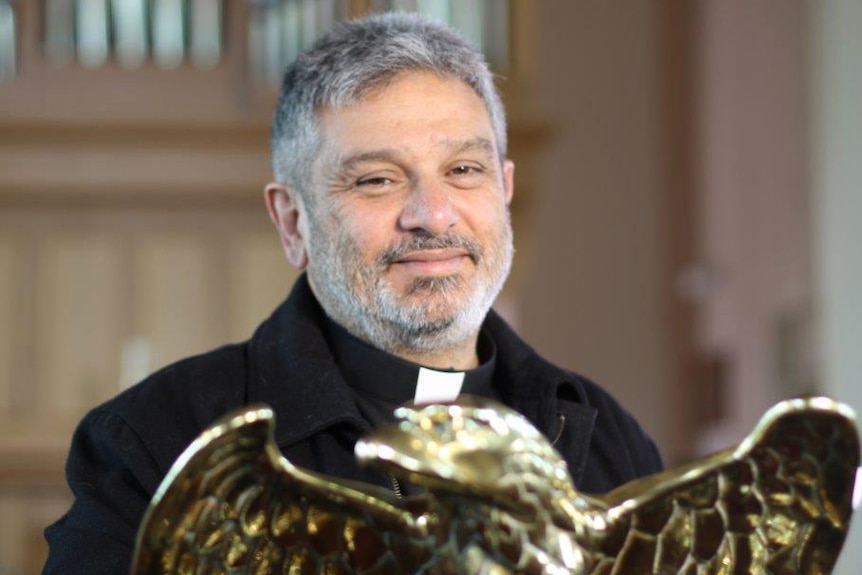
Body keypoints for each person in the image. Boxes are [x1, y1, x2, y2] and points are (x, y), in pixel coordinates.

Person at [42, 12, 662, 574]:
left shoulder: (608, 437)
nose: (433, 213)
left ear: (503, 190)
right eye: (376, 179)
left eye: (464, 170)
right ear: (292, 221)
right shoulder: (157, 441)